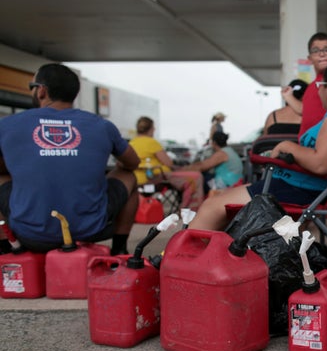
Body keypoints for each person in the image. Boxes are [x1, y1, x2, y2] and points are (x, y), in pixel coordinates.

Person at [188, 61, 327, 231]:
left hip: (298, 189)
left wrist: (287, 146)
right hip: (295, 185)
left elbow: (321, 164)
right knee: (218, 201)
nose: (318, 92)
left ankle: (183, 257)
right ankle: (205, 256)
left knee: (211, 207)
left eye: (320, 86)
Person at [0, 63, 139, 255]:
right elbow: (133, 163)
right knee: (128, 175)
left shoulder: (7, 124)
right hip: (91, 230)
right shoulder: (102, 125)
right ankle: (120, 249)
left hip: (29, 234)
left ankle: (5, 248)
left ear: (41, 91)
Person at [129, 116, 204, 210]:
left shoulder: (132, 142)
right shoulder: (151, 142)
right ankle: (189, 210)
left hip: (136, 179)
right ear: (151, 129)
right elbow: (168, 163)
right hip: (155, 178)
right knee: (195, 177)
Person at [282, 32, 327, 138]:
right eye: (315, 51)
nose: (322, 54)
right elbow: (305, 111)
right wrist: (288, 97)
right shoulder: (311, 86)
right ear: (310, 59)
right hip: (308, 145)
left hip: (324, 145)